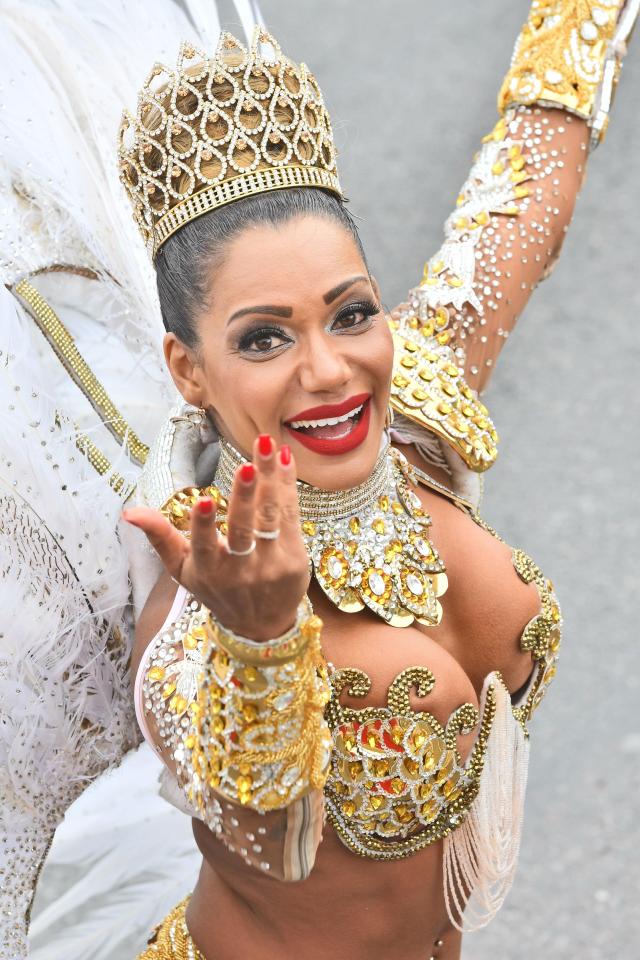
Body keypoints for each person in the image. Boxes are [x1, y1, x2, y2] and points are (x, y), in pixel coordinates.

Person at [0, 3, 635, 959]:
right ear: (188, 369)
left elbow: (522, 199)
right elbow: (276, 837)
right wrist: (260, 641)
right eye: (264, 338)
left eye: (349, 314)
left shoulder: (410, 408)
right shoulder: (196, 601)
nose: (330, 370)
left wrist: (579, 17)